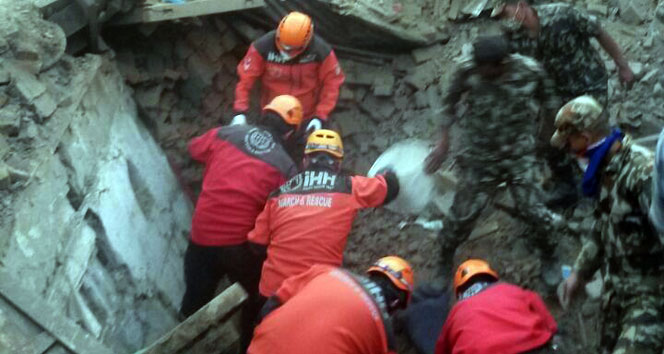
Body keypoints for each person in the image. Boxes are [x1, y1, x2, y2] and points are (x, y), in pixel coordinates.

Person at [179, 95, 302, 353]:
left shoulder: (225, 134)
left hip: (201, 238)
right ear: (290, 134)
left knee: (193, 303)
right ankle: (248, 344)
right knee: (256, 298)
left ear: (263, 114)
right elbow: (286, 215)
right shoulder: (285, 166)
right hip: (239, 248)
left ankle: (183, 344)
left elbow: (192, 149)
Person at [425, 36, 561, 263]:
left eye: (486, 69)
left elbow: (550, 103)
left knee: (535, 212)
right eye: (478, 67)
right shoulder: (467, 69)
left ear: (503, 64)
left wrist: (544, 139)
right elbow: (448, 104)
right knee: (462, 214)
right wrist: (443, 143)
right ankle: (445, 258)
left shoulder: (530, 71)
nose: (481, 72)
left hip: (519, 154)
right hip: (481, 155)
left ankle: (550, 257)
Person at [553, 96, 664, 354]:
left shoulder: (641, 172)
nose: (569, 150)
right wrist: (579, 272)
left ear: (586, 136)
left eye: (570, 142)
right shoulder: (604, 171)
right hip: (618, 292)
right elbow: (604, 227)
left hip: (651, 297)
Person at [247, 129, 400, 300]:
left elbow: (256, 244)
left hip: (273, 293)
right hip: (316, 294)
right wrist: (387, 173)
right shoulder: (349, 187)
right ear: (338, 165)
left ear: (305, 161)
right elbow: (390, 187)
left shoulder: (279, 194)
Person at [247, 256, 415, 354]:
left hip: (259, 348)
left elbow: (274, 302)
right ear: (395, 302)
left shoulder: (325, 272)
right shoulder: (384, 336)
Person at [494, 0, 634, 108]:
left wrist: (623, 66)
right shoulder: (512, 36)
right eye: (499, 18)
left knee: (593, 131)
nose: (503, 21)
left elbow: (599, 32)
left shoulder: (562, 14)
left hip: (590, 83)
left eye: (505, 15)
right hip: (557, 93)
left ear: (522, 6)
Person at [233, 11, 345, 134]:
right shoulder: (262, 47)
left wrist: (320, 116)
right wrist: (240, 112)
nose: (286, 51)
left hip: (306, 117)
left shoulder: (321, 51)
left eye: (291, 48)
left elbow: (332, 83)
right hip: (272, 114)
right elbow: (245, 80)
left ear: (305, 43)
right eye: (283, 45)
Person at [435, 259, 557, 354]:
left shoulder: (457, 311)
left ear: (460, 293)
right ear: (492, 278)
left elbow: (442, 349)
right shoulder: (512, 290)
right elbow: (550, 324)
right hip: (533, 347)